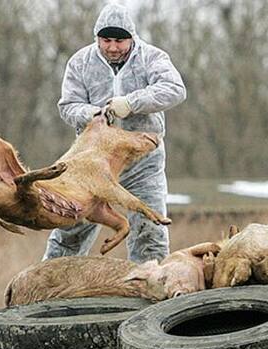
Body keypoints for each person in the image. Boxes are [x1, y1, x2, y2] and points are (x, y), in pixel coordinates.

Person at [43, 2, 187, 264]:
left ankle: (148, 294)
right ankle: (48, 287)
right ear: (97, 38)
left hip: (142, 162)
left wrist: (131, 103)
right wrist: (91, 114)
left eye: (120, 41)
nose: (112, 47)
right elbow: (67, 106)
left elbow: (175, 89)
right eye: (106, 40)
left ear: (132, 38)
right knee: (70, 226)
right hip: (91, 162)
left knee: (150, 232)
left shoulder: (152, 58)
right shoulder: (80, 62)